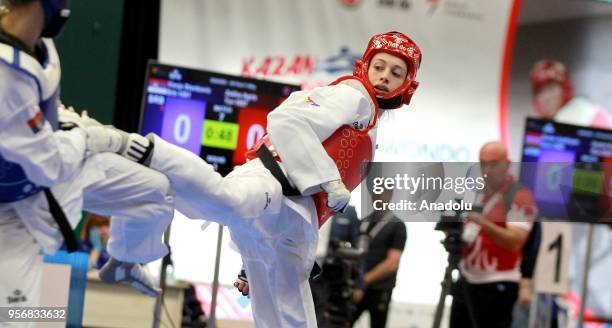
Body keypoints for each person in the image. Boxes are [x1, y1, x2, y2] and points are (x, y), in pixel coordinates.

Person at [86, 31, 423, 327]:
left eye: (395, 73)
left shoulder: (369, 120)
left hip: (291, 220)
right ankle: (134, 146)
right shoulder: (355, 96)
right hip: (273, 184)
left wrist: (253, 260)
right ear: (365, 66)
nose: (384, 77)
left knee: (289, 315)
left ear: (407, 83)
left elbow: (320, 201)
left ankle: (128, 233)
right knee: (223, 199)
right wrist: (331, 182)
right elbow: (286, 120)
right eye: (379, 67)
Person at [0, 0, 174, 314]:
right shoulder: (5, 75)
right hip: (15, 208)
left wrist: (74, 126)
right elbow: (50, 163)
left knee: (157, 191)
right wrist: (101, 137)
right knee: (26, 319)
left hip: (57, 173)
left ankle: (125, 261)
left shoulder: (38, 44)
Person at [530, 59, 612, 325]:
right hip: (562, 217)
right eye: (541, 90)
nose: (547, 96)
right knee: (559, 286)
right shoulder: (554, 124)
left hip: (588, 219)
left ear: (564, 88)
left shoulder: (583, 117)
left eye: (552, 88)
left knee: (580, 286)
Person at [449, 141, 537, 328]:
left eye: (493, 164)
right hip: (466, 278)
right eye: (483, 163)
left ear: (507, 163)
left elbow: (515, 241)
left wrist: (482, 222)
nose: (487, 169)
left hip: (497, 283)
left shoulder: (519, 195)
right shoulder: (475, 191)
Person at [351, 188, 406, 328]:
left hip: (379, 289)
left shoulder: (397, 226)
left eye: (384, 192)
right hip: (356, 287)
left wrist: (364, 281)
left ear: (391, 195)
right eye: (376, 192)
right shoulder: (363, 221)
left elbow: (392, 263)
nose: (379, 196)